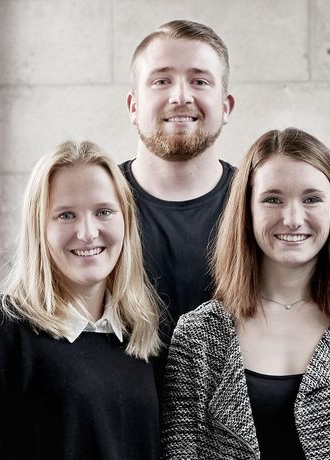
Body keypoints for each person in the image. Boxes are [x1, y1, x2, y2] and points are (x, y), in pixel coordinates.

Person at [160, 128, 330, 459]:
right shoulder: (198, 335)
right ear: (247, 210)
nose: (293, 218)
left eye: (311, 199)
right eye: (273, 199)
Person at [0, 141, 162, 459]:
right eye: (65, 215)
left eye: (103, 212)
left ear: (126, 221)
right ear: (39, 228)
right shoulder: (2, 329)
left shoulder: (142, 332)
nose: (88, 232)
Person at [122, 19, 237, 346]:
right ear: (133, 106)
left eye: (200, 81)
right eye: (161, 81)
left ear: (226, 106)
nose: (181, 96)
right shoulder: (95, 205)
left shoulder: (261, 203)